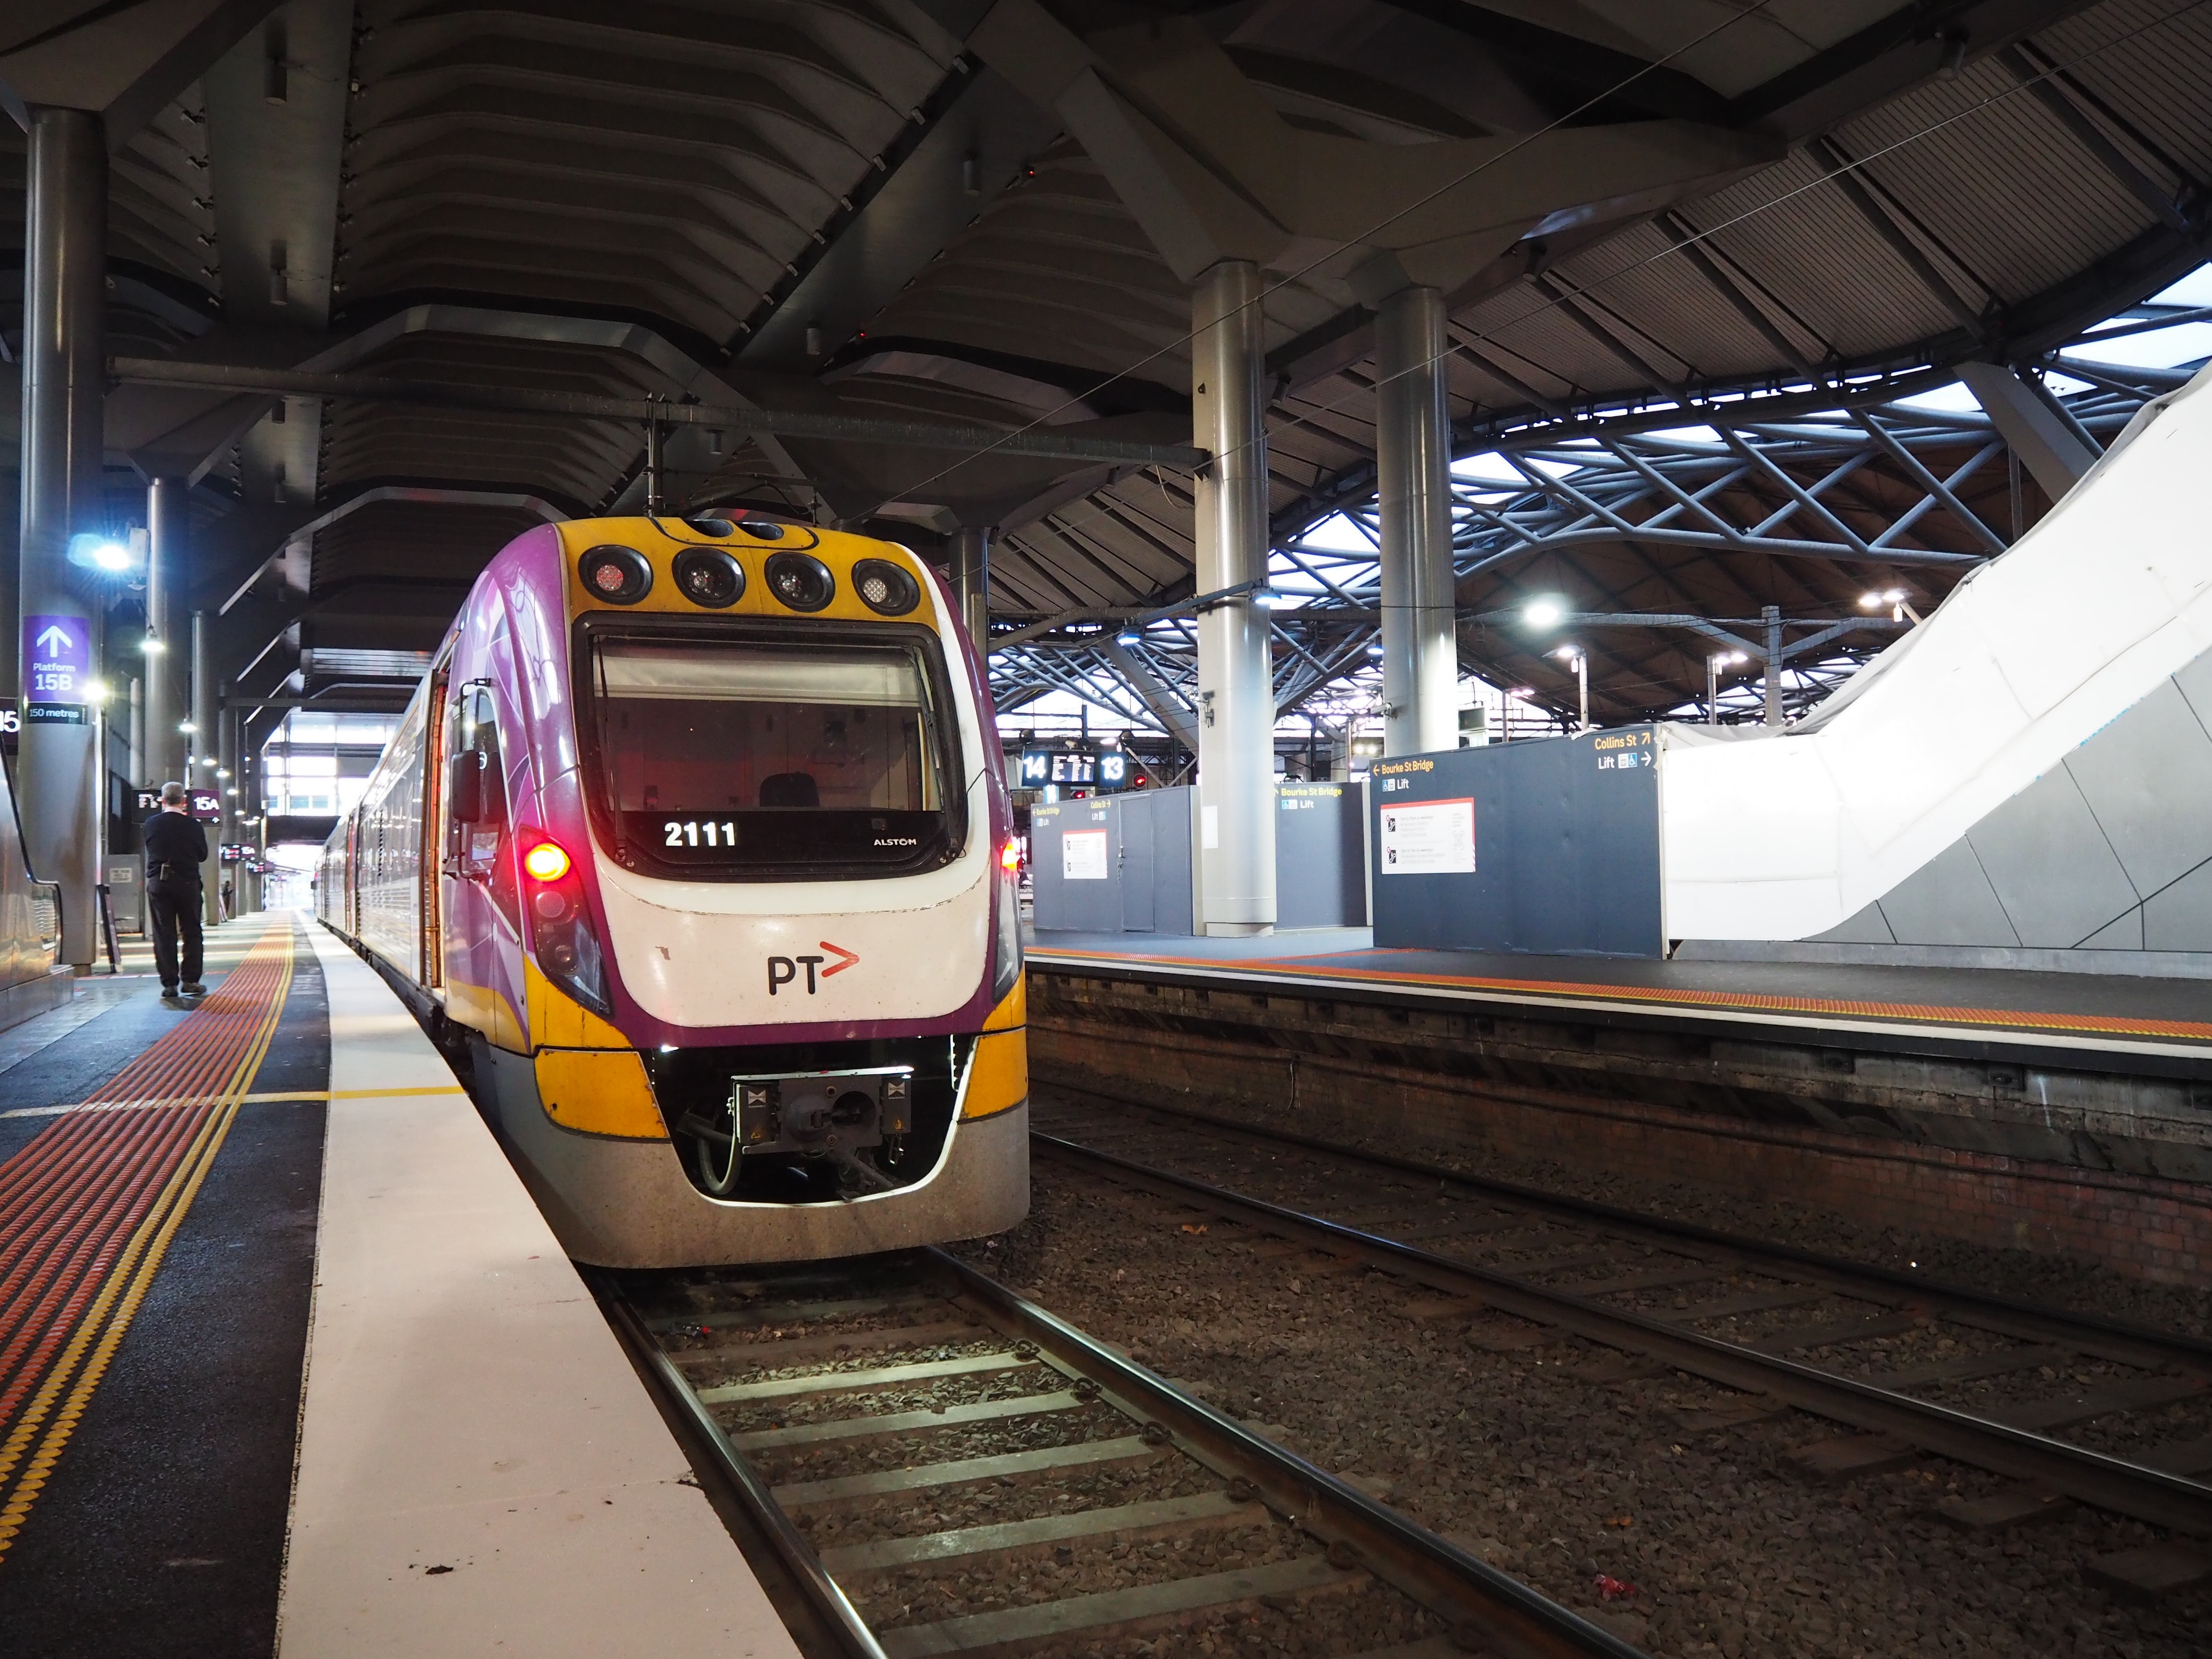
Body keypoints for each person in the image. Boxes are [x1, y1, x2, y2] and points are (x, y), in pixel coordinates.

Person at [142, 782, 208, 1006]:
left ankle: (169, 984)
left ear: (162, 800)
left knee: (164, 933)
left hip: (159, 883)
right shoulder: (193, 825)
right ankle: (190, 981)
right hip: (188, 883)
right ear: (184, 801)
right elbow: (202, 855)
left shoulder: (151, 824)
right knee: (192, 931)